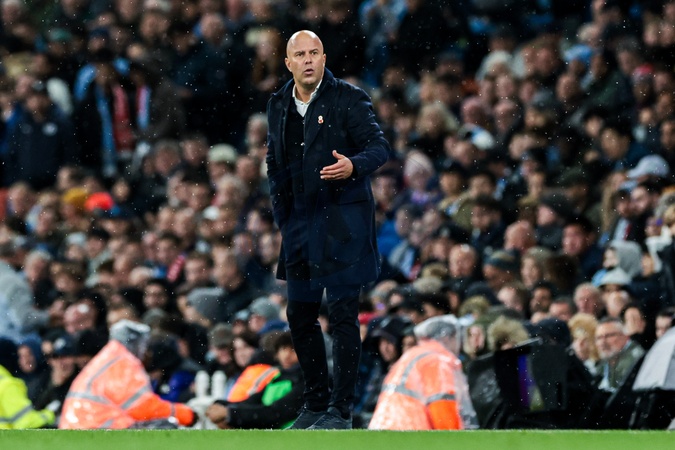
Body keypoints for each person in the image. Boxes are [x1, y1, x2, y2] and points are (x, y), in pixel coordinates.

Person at [265, 30, 389, 430]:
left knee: (342, 316)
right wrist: (283, 217)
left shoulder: (348, 98)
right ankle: (316, 403)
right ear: (288, 63)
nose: (308, 60)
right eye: (300, 54)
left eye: (314, 52)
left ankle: (341, 410)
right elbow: (273, 162)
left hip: (342, 227)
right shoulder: (278, 104)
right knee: (299, 316)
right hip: (299, 228)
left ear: (323, 58)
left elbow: (379, 148)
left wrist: (354, 165)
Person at [59, 320, 198, 429]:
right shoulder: (123, 363)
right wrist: (186, 414)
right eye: (144, 345)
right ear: (136, 343)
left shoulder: (108, 358)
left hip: (82, 431)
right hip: (100, 433)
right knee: (165, 427)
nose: (145, 351)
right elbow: (142, 408)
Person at [368, 315, 477, 430]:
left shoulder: (413, 355)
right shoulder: (436, 360)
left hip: (386, 429)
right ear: (446, 337)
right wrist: (451, 436)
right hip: (411, 431)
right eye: (456, 337)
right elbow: (441, 404)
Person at [0, 337, 56, 429]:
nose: (24, 360)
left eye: (29, 354)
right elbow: (26, 422)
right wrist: (51, 413)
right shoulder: (7, 385)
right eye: (19, 356)